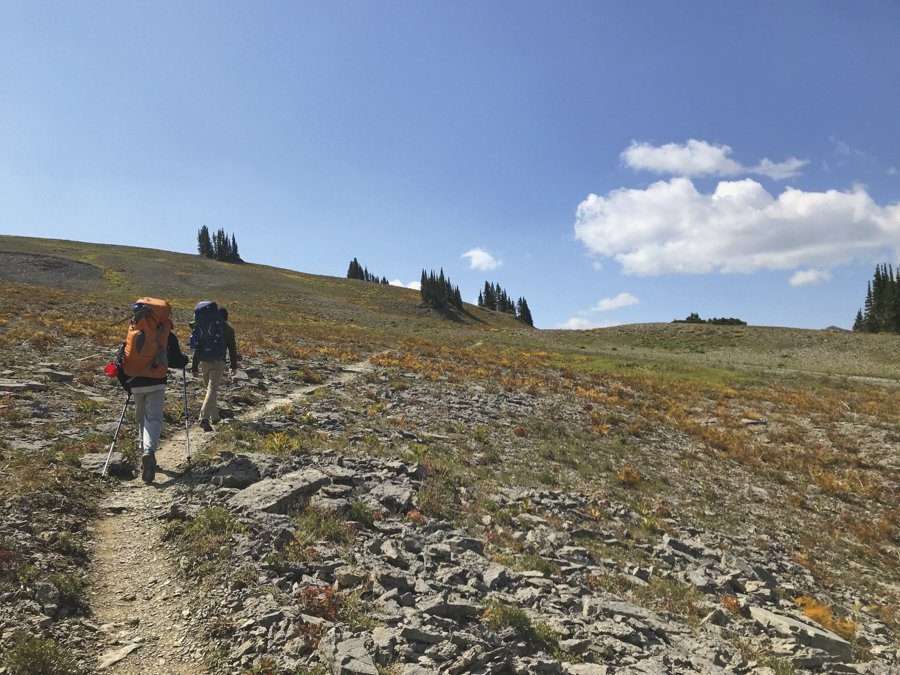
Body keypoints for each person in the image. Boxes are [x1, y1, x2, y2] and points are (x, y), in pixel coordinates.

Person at [116, 298, 189, 483]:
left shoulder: (133, 331)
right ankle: (149, 451)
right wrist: (185, 361)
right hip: (157, 381)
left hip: (135, 382)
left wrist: (127, 385)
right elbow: (175, 361)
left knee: (141, 418)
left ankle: (144, 452)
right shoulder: (166, 334)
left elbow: (122, 358)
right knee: (153, 419)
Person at [191, 305, 239, 431]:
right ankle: (204, 418)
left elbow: (198, 347)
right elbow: (232, 349)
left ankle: (215, 417)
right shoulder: (228, 329)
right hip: (218, 362)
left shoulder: (205, 326)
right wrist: (233, 366)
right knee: (211, 390)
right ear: (226, 317)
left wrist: (194, 366)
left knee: (209, 390)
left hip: (204, 362)